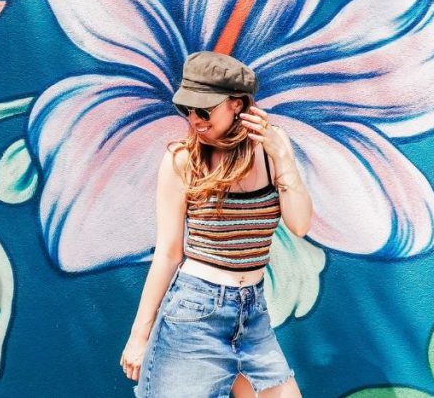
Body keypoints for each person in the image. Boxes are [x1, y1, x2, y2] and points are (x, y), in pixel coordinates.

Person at [121, 51, 313, 397]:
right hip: (195, 311)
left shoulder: (271, 154)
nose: (195, 119)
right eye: (188, 109)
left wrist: (284, 156)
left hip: (252, 313)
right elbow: (167, 252)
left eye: (205, 110)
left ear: (236, 105)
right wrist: (139, 334)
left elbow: (299, 224)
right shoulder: (183, 160)